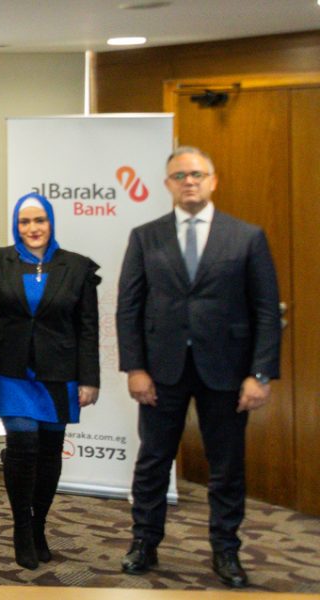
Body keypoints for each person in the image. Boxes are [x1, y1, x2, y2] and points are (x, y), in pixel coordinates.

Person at [117, 147, 281, 589]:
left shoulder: (246, 236)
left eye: (196, 174)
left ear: (213, 181)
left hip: (227, 371)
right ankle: (144, 542)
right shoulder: (145, 236)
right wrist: (135, 368)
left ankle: (226, 550)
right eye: (179, 176)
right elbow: (129, 308)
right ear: (167, 184)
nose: (188, 182)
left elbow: (266, 310)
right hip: (161, 370)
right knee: (153, 461)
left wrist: (260, 374)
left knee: (226, 466)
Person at [0, 192, 101, 570]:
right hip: (10, 371)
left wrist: (89, 379)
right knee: (22, 445)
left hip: (59, 373)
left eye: (40, 220)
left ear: (51, 223)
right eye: (24, 222)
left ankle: (39, 526)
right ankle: (21, 527)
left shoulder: (78, 267)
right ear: (15, 226)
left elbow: (88, 328)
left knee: (50, 452)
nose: (32, 228)